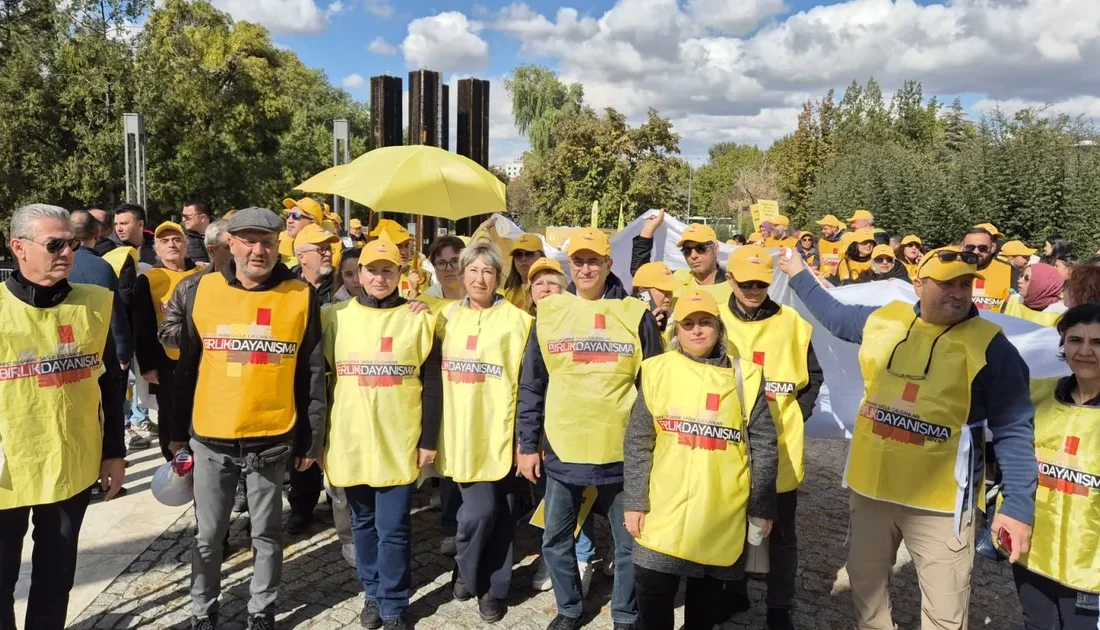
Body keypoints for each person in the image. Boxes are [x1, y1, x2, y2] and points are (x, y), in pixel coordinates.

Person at [777, 247, 1038, 630]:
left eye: (966, 284)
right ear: (918, 285)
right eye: (946, 284)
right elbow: (832, 316)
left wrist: (1018, 506)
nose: (958, 293)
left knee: (944, 612)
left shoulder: (992, 346)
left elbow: (1014, 427)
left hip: (941, 504)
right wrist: (798, 272)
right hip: (871, 491)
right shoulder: (884, 321)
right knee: (866, 593)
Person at [174, 207, 326, 630]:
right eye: (249, 240)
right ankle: (202, 611)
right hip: (211, 434)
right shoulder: (200, 291)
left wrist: (310, 439)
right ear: (231, 244)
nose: (258, 250)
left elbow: (311, 372)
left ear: (279, 246)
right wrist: (174, 433)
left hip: (272, 433)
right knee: (207, 537)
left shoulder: (299, 295)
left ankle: (262, 611)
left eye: (268, 242)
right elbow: (186, 366)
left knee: (267, 533)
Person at [517, 227, 664, 630]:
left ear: (607, 264)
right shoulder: (549, 312)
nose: (585, 268)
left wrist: (654, 447)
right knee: (554, 538)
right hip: (564, 445)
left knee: (629, 542)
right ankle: (568, 609)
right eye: (578, 261)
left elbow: (655, 384)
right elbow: (533, 382)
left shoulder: (635, 314)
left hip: (621, 449)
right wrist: (527, 444)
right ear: (570, 266)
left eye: (593, 261)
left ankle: (625, 614)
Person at [0, 204, 126, 630]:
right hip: (7, 471)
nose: (67, 253)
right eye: (55, 245)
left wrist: (115, 453)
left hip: (71, 462)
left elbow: (110, 383)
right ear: (19, 248)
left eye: (71, 243)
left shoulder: (95, 303)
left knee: (56, 577)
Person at [625, 289, 778, 630]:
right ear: (676, 330)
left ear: (719, 328)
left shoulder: (747, 377)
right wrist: (635, 500)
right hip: (663, 507)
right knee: (652, 593)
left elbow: (764, 444)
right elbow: (638, 441)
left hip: (720, 510)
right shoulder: (656, 370)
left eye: (705, 322)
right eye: (688, 324)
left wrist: (762, 507)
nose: (697, 331)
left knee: (706, 609)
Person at [323, 236, 441, 630]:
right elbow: (319, 383)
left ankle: (393, 603)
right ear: (358, 273)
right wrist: (319, 439)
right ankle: (371, 590)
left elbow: (433, 384)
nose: (378, 277)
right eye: (371, 270)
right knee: (362, 524)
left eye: (387, 270)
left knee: (393, 528)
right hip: (351, 437)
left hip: (398, 438)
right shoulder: (334, 317)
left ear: (399, 274)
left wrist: (428, 439)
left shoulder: (420, 318)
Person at [719, 246, 823, 629]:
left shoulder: (793, 323)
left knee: (781, 533)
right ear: (729, 279)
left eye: (761, 284)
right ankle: (733, 592)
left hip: (780, 446)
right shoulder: (713, 321)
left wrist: (797, 414)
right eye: (745, 283)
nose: (753, 290)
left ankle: (780, 607)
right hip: (725, 444)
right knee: (730, 524)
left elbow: (814, 378)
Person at [434, 242, 533, 623]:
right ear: (461, 274)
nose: (479, 278)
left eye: (488, 272)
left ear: (498, 278)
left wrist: (525, 439)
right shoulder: (443, 318)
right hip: (459, 431)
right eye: (472, 270)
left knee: (500, 513)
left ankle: (493, 589)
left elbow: (528, 384)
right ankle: (467, 565)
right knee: (478, 513)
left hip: (501, 434)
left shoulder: (519, 322)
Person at [1005, 304, 1100, 629]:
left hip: (1090, 564)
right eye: (1075, 340)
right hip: (1033, 548)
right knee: (1036, 623)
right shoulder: (1037, 394)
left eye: (1098, 342)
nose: (1085, 351)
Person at [133, 222, 201, 461]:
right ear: (157, 250)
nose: (171, 245)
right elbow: (142, 326)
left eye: (176, 239)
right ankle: (173, 461)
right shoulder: (149, 279)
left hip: (204, 357)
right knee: (169, 411)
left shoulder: (204, 275)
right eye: (164, 241)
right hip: (167, 360)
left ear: (186, 245)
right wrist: (147, 366)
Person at [70, 209, 133, 371]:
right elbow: (115, 312)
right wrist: (123, 352)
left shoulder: (53, 265)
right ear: (97, 235)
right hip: (102, 351)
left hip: (64, 350)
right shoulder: (102, 267)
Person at [631, 210, 731, 303]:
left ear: (716, 249)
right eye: (687, 251)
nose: (693, 255)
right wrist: (647, 232)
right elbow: (642, 277)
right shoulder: (676, 279)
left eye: (701, 248)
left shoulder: (734, 286)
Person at [370, 219, 430, 299]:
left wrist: (414, 291)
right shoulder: (371, 276)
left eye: (406, 245)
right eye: (398, 246)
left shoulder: (419, 272)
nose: (404, 252)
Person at [964, 226, 1015, 311]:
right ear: (963, 247)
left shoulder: (1010, 271)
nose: (976, 252)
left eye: (982, 248)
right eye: (970, 247)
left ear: (993, 248)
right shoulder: (951, 270)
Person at [421, 235, 467, 309]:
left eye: (455, 261)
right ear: (434, 267)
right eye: (441, 263)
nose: (449, 268)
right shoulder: (425, 302)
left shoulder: (482, 297)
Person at [501, 233, 545, 310]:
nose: (523, 259)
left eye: (529, 253)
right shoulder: (507, 295)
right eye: (518, 254)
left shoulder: (551, 290)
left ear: (542, 257)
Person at [278, 197, 324, 269]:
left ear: (313, 222)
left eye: (296, 216)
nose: (289, 221)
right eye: (288, 215)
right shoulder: (279, 241)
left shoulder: (324, 250)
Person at [631, 262, 677, 333]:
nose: (668, 295)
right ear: (642, 292)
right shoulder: (625, 319)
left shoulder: (677, 319)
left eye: (670, 289)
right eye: (662, 290)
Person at [181, 198, 213, 264]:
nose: (183, 219)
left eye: (187, 216)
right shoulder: (182, 239)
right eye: (182, 215)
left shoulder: (222, 234)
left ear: (203, 218)